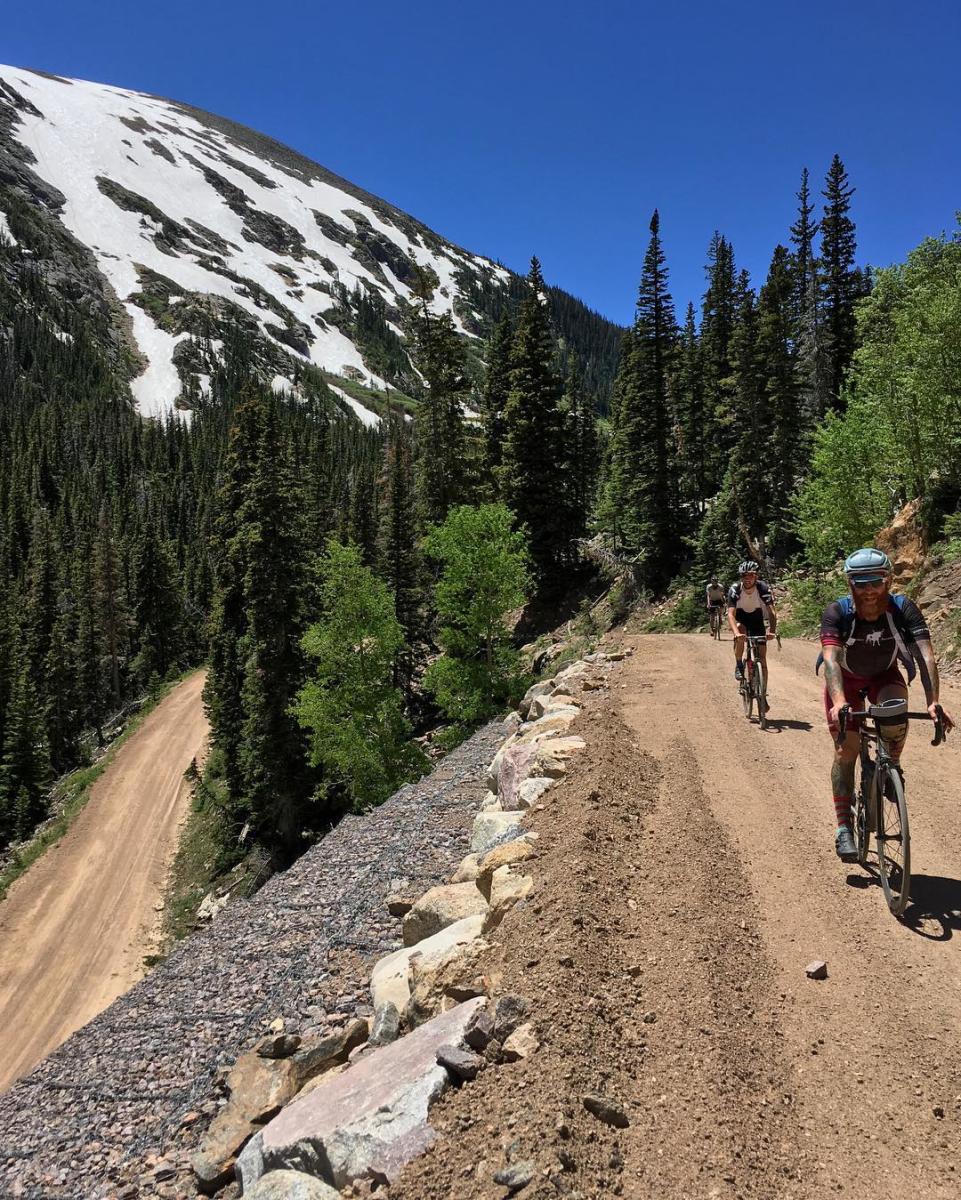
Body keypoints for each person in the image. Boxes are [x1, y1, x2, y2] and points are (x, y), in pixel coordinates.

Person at [820, 547, 954, 861]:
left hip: (885, 674)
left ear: (889, 580)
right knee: (846, 750)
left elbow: (926, 655)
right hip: (846, 679)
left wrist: (934, 701)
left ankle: (892, 764)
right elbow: (830, 661)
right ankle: (843, 827)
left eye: (876, 582)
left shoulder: (903, 608)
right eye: (860, 583)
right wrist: (839, 702)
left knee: (895, 714)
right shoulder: (837, 613)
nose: (869, 591)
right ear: (849, 584)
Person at [727, 560, 777, 684]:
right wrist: (736, 633)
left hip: (756, 618)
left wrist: (772, 631)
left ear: (756, 576)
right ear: (741, 577)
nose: (747, 578)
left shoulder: (763, 587)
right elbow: (730, 614)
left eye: (751, 575)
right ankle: (739, 664)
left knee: (762, 658)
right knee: (740, 630)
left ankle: (763, 694)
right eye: (744, 575)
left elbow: (771, 612)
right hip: (741, 617)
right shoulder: (735, 589)